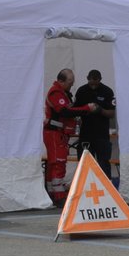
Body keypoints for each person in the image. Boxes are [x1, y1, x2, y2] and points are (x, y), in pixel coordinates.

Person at [43, 68, 96, 205]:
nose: (71, 85)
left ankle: (52, 192)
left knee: (54, 163)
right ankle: (59, 195)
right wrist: (86, 109)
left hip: (59, 133)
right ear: (61, 81)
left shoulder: (64, 93)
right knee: (58, 163)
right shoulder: (56, 93)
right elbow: (65, 111)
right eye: (69, 82)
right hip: (55, 133)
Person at [72, 69, 117, 185]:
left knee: (103, 162)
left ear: (100, 79)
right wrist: (85, 110)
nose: (92, 85)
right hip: (86, 133)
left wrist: (99, 110)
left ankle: (107, 186)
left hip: (101, 134)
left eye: (95, 82)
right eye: (90, 82)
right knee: (84, 162)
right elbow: (74, 111)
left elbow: (111, 113)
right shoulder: (81, 91)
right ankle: (85, 186)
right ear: (87, 78)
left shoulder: (107, 91)